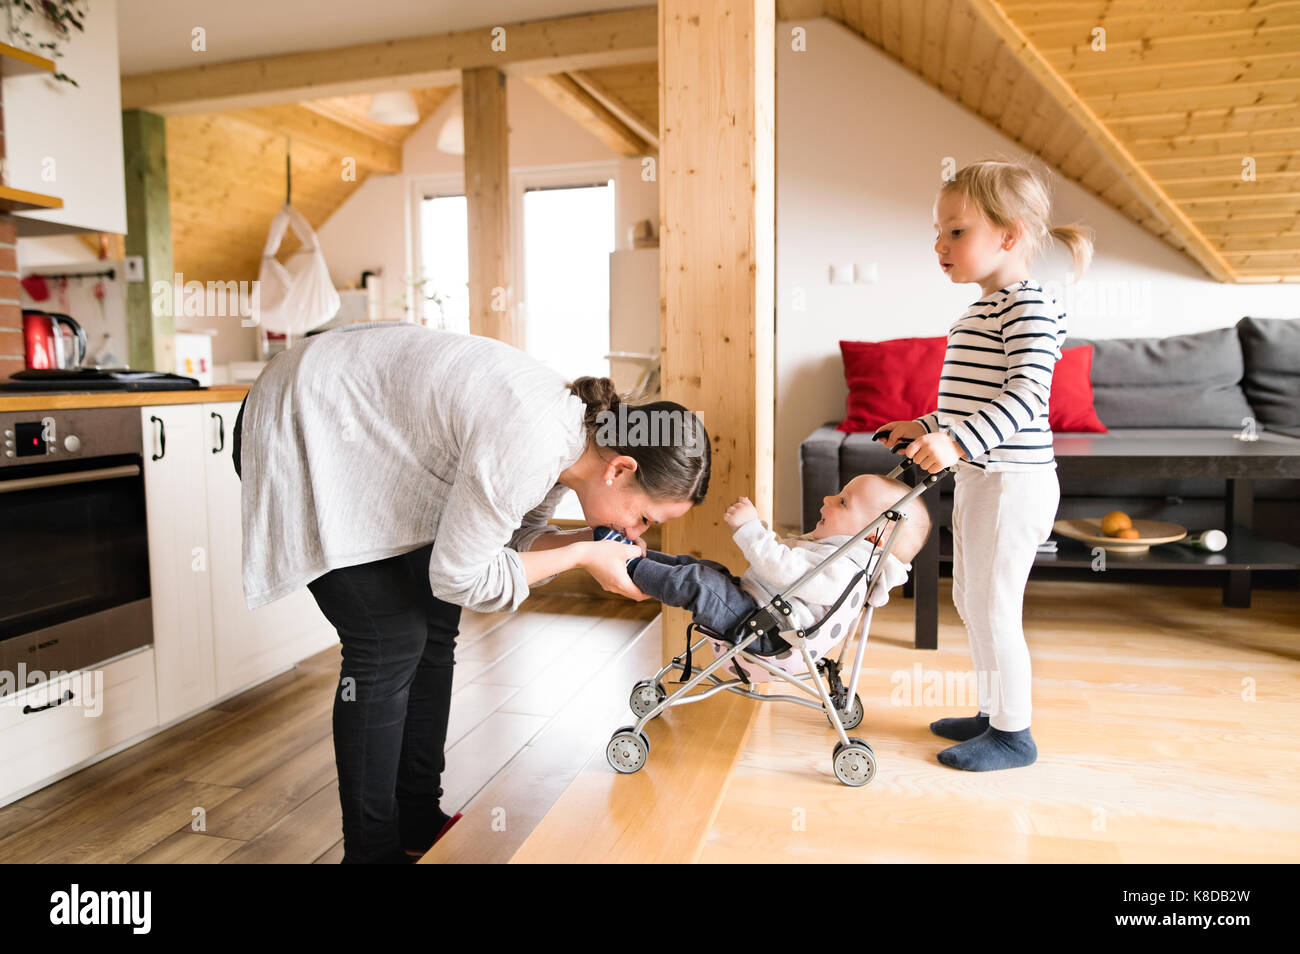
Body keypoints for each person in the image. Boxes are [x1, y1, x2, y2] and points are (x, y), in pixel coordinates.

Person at [231, 321, 710, 863]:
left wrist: (583, 539)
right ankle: (371, 855)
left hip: (360, 431)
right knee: (388, 640)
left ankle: (417, 818)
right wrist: (582, 556)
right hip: (302, 418)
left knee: (435, 624)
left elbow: (505, 537)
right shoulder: (530, 440)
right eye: (644, 518)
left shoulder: (574, 447)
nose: (638, 533)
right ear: (621, 468)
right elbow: (461, 574)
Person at [877, 157, 1094, 772]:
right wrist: (926, 427)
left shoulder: (1027, 306)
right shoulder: (981, 310)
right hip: (981, 476)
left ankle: (1014, 735)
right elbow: (972, 402)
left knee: (995, 604)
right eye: (938, 232)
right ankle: (994, 713)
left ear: (1009, 234)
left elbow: (1026, 396)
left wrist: (957, 442)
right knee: (972, 599)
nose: (939, 245)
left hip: (1013, 483)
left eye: (956, 231)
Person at [624, 474, 930, 654]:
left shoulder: (843, 568)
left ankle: (627, 567)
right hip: (755, 607)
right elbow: (791, 564)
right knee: (699, 569)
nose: (828, 498)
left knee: (696, 582)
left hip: (764, 631)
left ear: (875, 537)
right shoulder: (842, 558)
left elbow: (784, 570)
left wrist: (750, 529)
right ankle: (637, 555)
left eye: (843, 502)